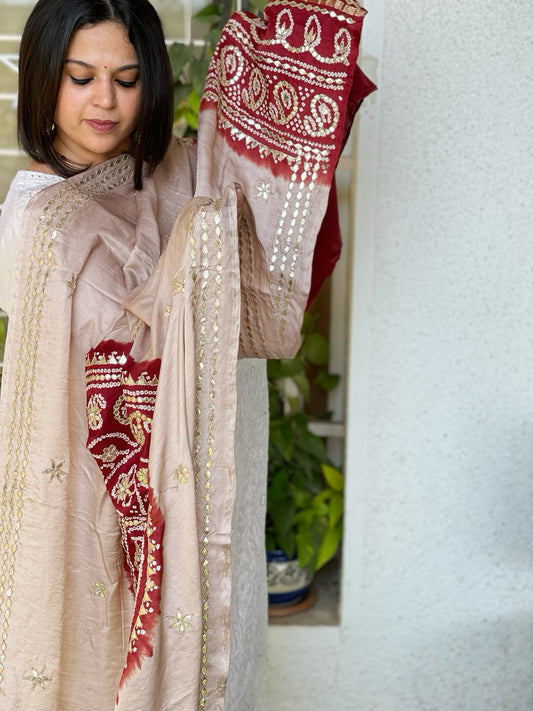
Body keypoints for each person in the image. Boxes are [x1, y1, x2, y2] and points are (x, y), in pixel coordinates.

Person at [0, 0, 375, 708]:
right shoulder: (39, 218)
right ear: (46, 80)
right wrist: (198, 255)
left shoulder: (172, 174)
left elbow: (264, 261)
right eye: (81, 77)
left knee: (222, 664)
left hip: (211, 480)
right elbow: (110, 349)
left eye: (127, 76)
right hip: (107, 497)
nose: (104, 101)